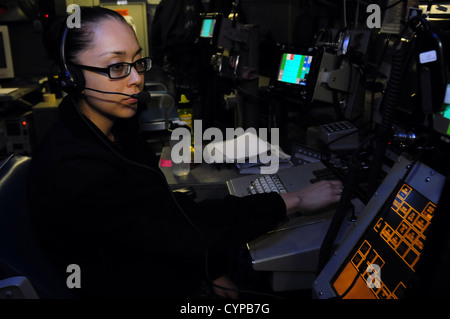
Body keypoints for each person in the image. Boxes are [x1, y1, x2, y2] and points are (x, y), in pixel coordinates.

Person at [28, 7, 343, 299]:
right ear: (73, 77)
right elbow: (177, 230)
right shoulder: (73, 169)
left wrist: (211, 268)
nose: (137, 79)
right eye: (117, 67)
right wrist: (295, 200)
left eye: (138, 62)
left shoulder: (115, 130)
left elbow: (161, 212)